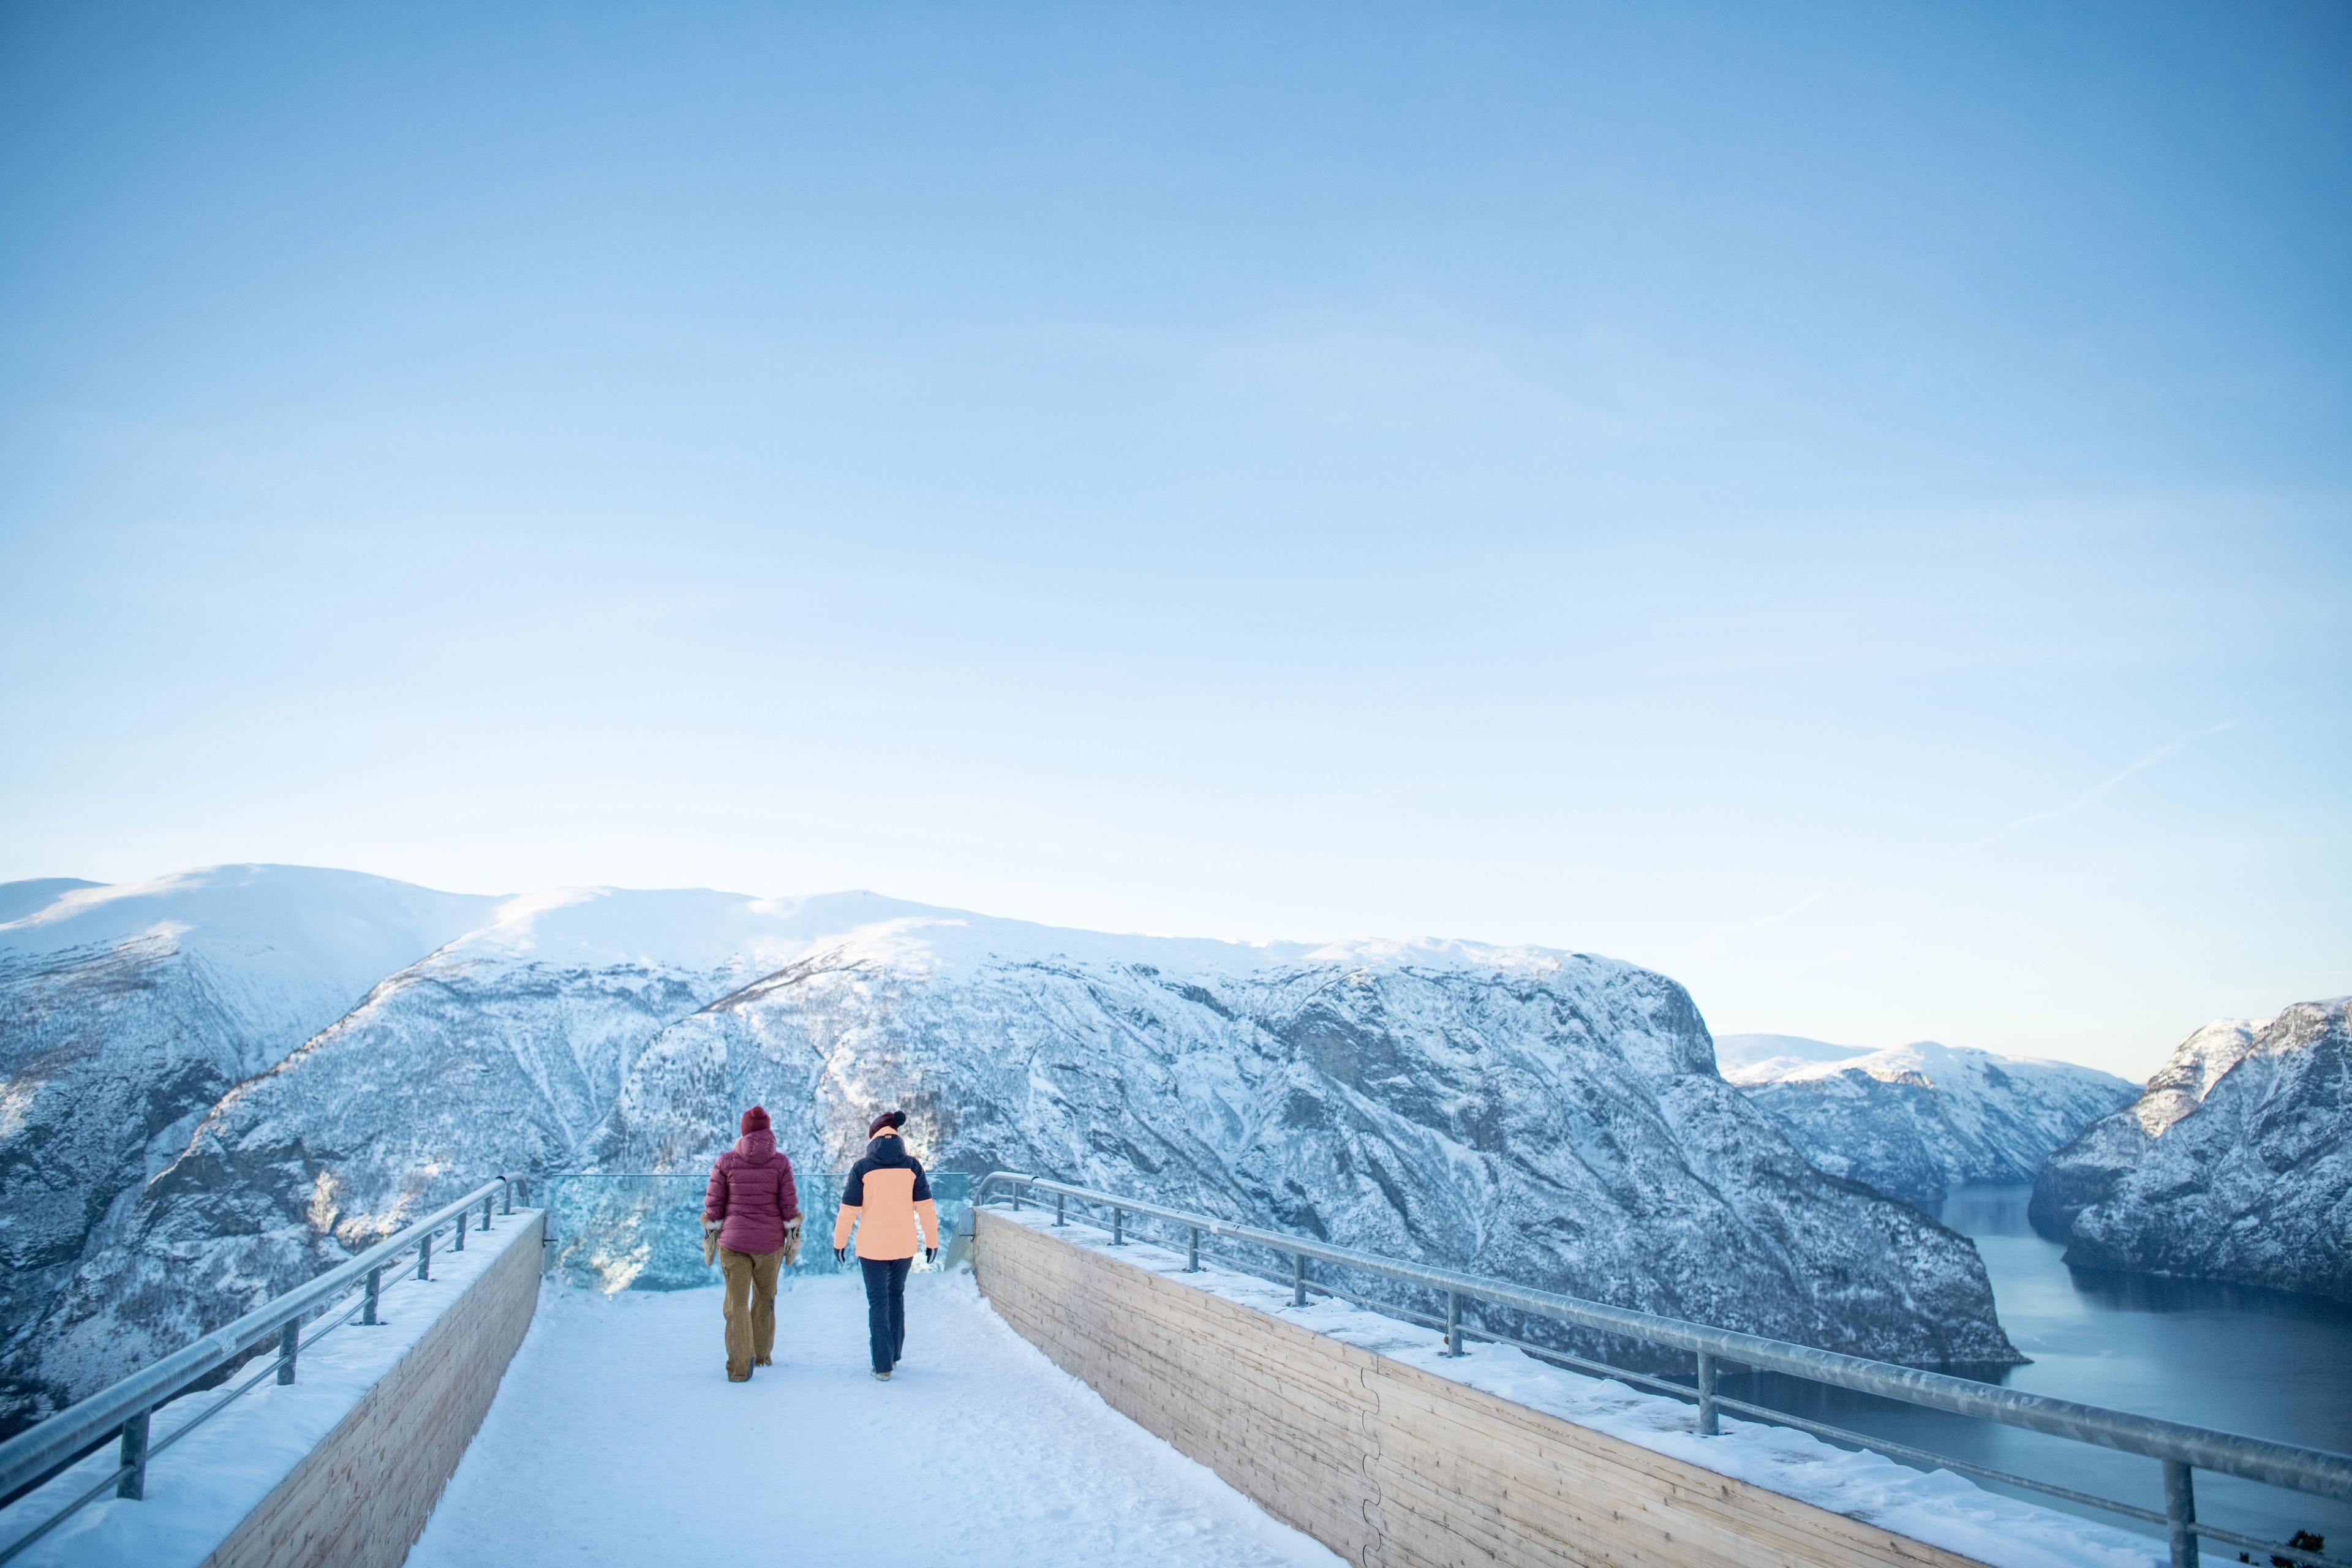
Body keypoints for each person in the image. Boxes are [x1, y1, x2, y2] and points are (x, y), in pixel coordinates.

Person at [831, 1109, 938, 1381]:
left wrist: (839, 1242)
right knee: (896, 1295)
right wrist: (932, 1240)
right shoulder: (912, 1166)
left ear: (874, 1137)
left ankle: (882, 1366)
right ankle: (895, 1354)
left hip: (871, 1248)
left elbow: (848, 1211)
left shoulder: (862, 1168)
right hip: (903, 1246)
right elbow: (926, 1207)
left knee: (877, 1302)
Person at [704, 1104, 801, 1382]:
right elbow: (788, 1205)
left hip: (733, 1243)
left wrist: (713, 1226)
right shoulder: (781, 1163)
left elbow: (714, 1207)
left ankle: (739, 1366)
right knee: (765, 1298)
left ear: (743, 1132)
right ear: (769, 1132)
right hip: (770, 1244)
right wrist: (792, 1233)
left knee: (736, 1303)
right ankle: (761, 1355)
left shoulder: (725, 1162)